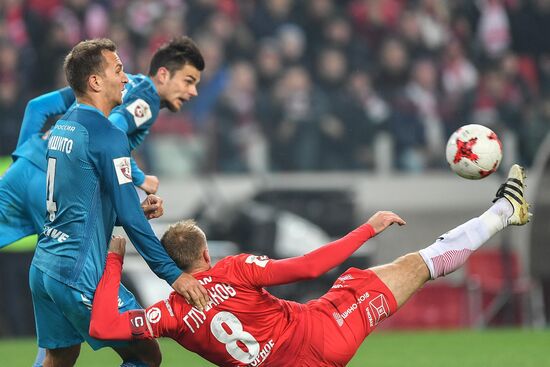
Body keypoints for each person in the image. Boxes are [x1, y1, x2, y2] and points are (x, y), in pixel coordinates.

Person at [90, 165, 531, 366]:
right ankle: (502, 213)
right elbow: (308, 267)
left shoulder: (169, 313)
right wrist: (366, 230)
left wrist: (114, 256)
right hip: (325, 332)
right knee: (416, 265)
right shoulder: (234, 269)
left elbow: (103, 328)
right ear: (206, 254)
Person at [29, 39, 208, 367]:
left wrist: (129, 206)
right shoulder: (107, 135)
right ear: (96, 81)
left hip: (44, 266)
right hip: (80, 272)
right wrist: (173, 275)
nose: (127, 78)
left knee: (61, 355)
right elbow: (126, 213)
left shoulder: (63, 127)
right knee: (146, 353)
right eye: (119, 70)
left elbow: (79, 203)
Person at [0, 35, 204, 249]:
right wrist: (140, 178)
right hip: (58, 183)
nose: (193, 91)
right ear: (163, 75)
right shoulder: (147, 101)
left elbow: (37, 107)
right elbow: (111, 130)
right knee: (88, 272)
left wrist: (23, 160)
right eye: (188, 81)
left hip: (24, 169)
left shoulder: (105, 83)